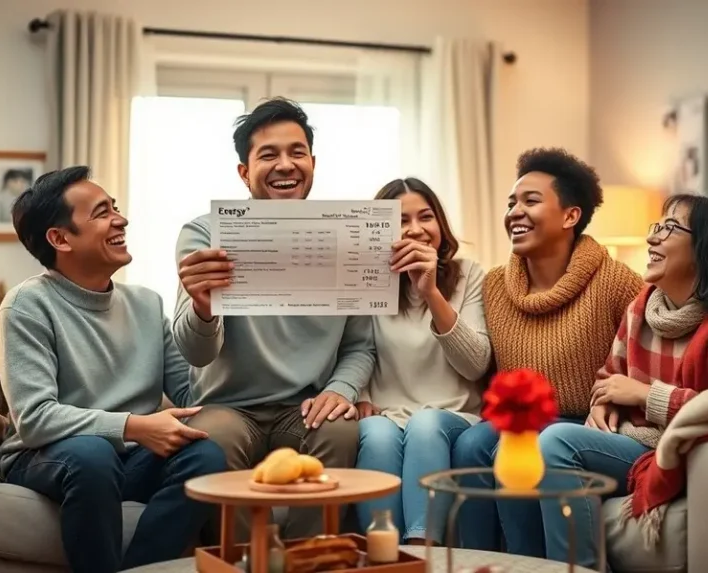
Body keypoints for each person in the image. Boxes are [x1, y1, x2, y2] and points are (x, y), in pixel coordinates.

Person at [0, 166, 227, 573]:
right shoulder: (27, 306)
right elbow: (34, 419)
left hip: (126, 457)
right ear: (60, 238)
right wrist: (136, 426)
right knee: (92, 454)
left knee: (205, 455)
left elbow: (194, 395)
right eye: (102, 213)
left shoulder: (146, 303)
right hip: (48, 457)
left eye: (115, 208)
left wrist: (204, 312)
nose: (121, 220)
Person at [535, 194, 708, 569]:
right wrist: (603, 401)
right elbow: (610, 376)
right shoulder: (642, 307)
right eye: (658, 226)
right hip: (628, 442)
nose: (653, 238)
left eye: (670, 228)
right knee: (516, 440)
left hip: (680, 454)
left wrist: (645, 395)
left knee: (556, 442)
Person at [175, 97, 375, 539]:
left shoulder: (350, 237)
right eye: (268, 155)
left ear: (313, 162)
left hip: (302, 406)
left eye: (296, 152)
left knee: (340, 428)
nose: (285, 165)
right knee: (213, 441)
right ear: (244, 172)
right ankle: (249, 559)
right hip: (227, 406)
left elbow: (361, 345)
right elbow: (194, 351)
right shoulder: (204, 233)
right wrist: (203, 307)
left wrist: (341, 389)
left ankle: (309, 559)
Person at [451, 147, 644, 555]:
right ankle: (481, 562)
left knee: (516, 447)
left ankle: (535, 564)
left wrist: (612, 404)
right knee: (471, 446)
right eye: (511, 203)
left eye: (531, 201)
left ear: (570, 216)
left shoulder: (616, 282)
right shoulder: (496, 285)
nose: (515, 212)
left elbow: (643, 364)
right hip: (523, 419)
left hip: (583, 425)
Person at [352, 178, 492, 545]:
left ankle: (420, 550)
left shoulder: (468, 273)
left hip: (452, 414)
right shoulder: (367, 280)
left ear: (441, 227)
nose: (415, 229)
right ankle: (382, 553)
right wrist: (361, 393)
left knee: (426, 425)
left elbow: (476, 364)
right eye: (401, 220)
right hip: (387, 412)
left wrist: (429, 291)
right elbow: (354, 347)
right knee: (374, 435)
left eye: (426, 217)